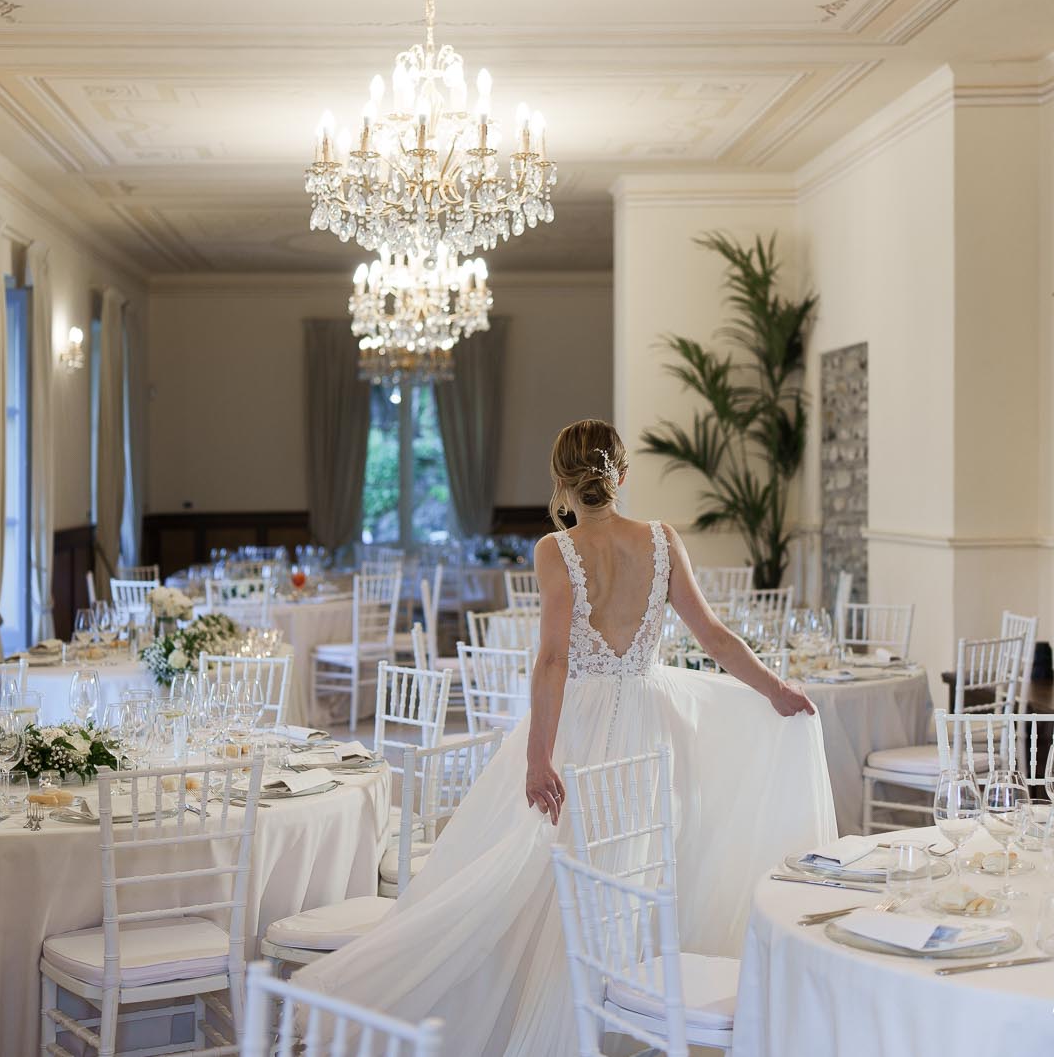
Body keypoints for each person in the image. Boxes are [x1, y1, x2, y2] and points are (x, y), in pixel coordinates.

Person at [298, 418, 836, 1053]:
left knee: (557, 868)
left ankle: (584, 1002)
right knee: (639, 859)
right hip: (650, 723)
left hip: (576, 725)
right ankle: (629, 1006)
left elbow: (552, 659)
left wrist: (537, 754)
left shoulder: (555, 551)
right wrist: (775, 690)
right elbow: (714, 637)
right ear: (622, 475)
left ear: (560, 482)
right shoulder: (662, 540)